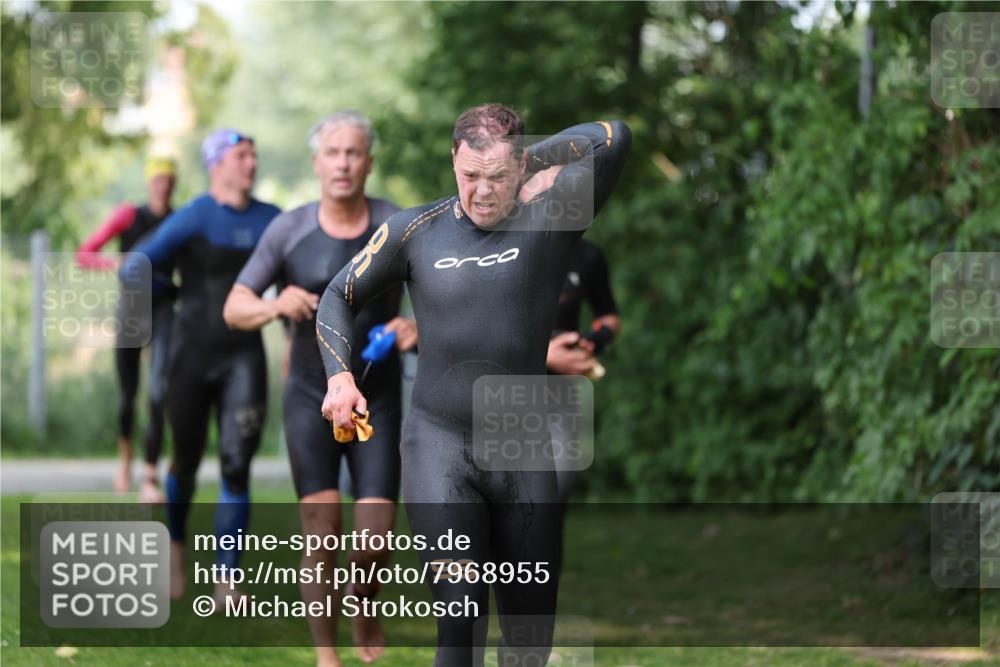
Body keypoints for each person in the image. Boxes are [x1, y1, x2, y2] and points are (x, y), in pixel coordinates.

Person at [316, 104, 630, 667]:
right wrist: (340, 377)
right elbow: (337, 295)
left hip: (522, 448)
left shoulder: (553, 217)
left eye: (499, 177)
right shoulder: (415, 231)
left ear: (521, 168)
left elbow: (614, 137)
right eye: (470, 176)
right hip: (440, 447)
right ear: (453, 163)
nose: (483, 191)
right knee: (460, 621)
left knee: (528, 639)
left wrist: (539, 157)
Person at [223, 111, 416, 667]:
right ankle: (327, 655)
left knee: (375, 541)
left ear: (368, 162)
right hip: (311, 395)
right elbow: (233, 306)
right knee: (322, 534)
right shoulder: (288, 229)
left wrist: (416, 326)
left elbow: (440, 296)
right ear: (317, 162)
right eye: (333, 153)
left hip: (376, 397)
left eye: (354, 153)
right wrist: (273, 304)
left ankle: (364, 605)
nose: (343, 163)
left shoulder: (395, 225)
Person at [121, 129, 280, 604]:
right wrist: (175, 295)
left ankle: (227, 577)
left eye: (254, 154)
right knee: (185, 463)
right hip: (190, 357)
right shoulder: (195, 215)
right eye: (241, 155)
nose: (251, 163)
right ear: (217, 164)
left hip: (244, 358)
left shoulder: (271, 220)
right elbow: (134, 266)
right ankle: (173, 549)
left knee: (236, 463)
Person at [77, 156, 178, 502]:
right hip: (131, 310)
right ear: (149, 184)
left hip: (164, 311)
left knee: (159, 393)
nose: (163, 186)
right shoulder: (129, 216)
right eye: (157, 180)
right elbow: (84, 254)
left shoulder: (179, 221)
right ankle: (125, 461)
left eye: (168, 180)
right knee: (127, 397)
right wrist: (114, 262)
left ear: (173, 184)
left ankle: (150, 475)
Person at [546, 237, 621, 503]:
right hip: (499, 391)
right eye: (533, 190)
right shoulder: (499, 245)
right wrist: (543, 354)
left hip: (560, 395)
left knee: (554, 496)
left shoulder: (586, 254)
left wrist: (593, 341)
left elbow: (608, 316)